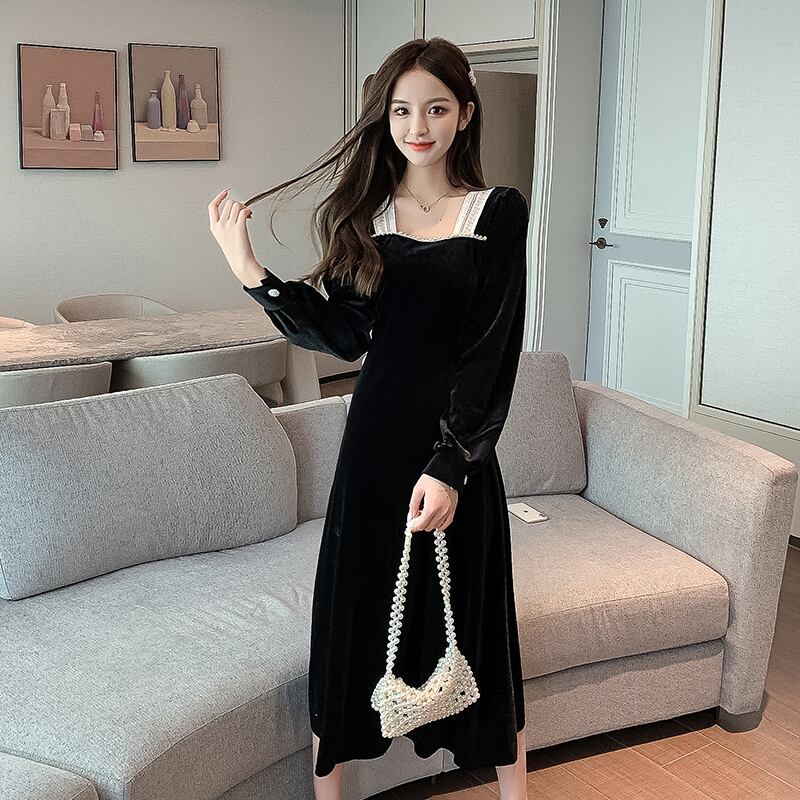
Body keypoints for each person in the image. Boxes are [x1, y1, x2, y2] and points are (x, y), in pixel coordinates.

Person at [208, 36, 530, 800]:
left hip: (456, 460)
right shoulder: (367, 215)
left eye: (436, 109)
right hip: (374, 455)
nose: (418, 126)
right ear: (385, 117)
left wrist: (451, 464)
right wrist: (251, 270)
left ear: (465, 114)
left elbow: (491, 351)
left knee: (478, 629)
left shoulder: (497, 212)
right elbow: (346, 335)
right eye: (402, 110)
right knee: (351, 625)